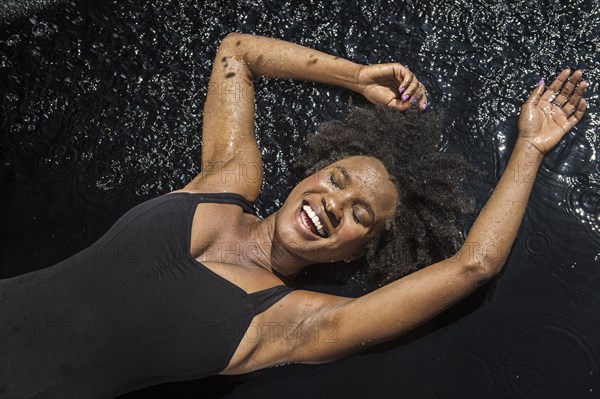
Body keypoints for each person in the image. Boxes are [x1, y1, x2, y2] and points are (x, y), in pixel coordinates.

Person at [0, 33, 587, 398]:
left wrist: (529, 149)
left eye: (359, 214)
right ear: (308, 175)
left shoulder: (292, 324)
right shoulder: (224, 182)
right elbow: (238, 51)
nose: (332, 204)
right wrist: (357, 76)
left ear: (361, 251)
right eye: (336, 181)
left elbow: (473, 267)